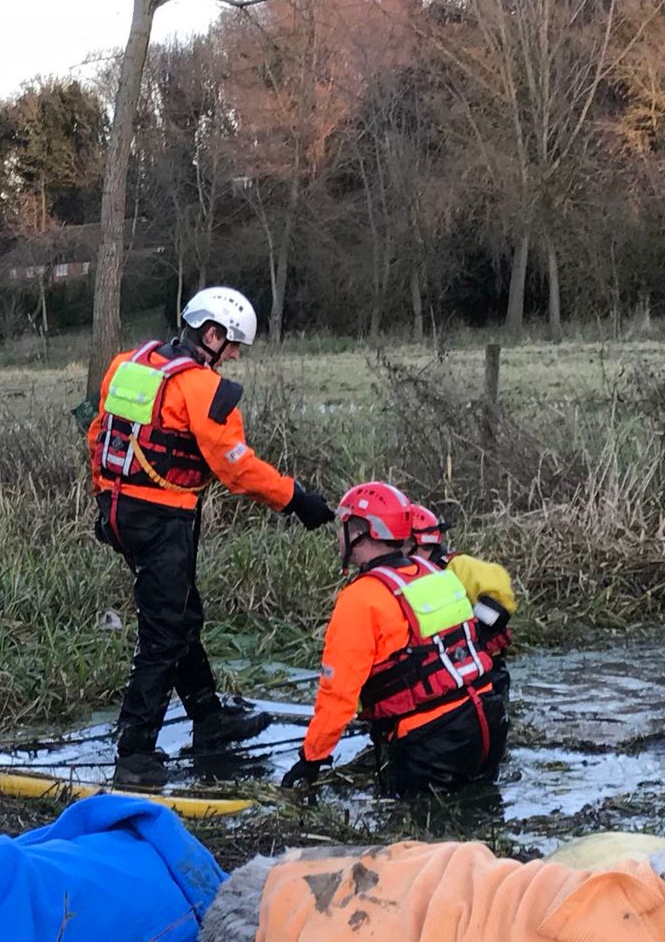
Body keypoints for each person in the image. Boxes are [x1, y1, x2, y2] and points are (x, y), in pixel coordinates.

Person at [89, 286, 337, 788]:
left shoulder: (128, 364)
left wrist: (110, 495)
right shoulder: (202, 389)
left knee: (180, 617)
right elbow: (238, 470)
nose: (237, 356)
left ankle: (207, 718)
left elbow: (100, 431)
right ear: (211, 335)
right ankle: (134, 753)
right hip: (163, 520)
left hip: (117, 512)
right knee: (163, 635)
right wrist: (297, 500)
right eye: (234, 345)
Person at [281, 482, 508, 797]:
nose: (338, 536)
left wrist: (311, 759)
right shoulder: (434, 573)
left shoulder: (360, 599)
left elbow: (338, 697)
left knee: (417, 839)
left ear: (361, 531)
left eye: (343, 526)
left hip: (432, 744)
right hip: (490, 723)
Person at [407, 504, 518, 659]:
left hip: (480, 664)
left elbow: (500, 604)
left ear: (411, 543)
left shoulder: (456, 567)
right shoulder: (405, 575)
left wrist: (469, 632)